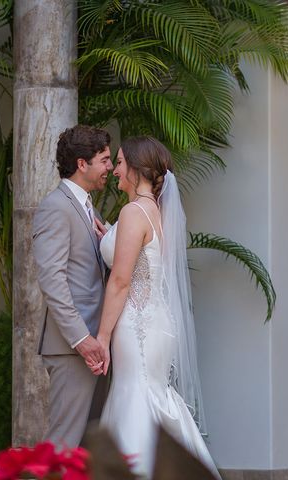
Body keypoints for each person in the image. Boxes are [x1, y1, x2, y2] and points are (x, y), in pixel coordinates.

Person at [91, 136, 220, 478]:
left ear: (135, 168)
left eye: (119, 162)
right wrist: (109, 235)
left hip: (137, 325)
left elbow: (120, 280)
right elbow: (140, 261)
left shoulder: (134, 212)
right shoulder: (155, 211)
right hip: (158, 322)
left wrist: (101, 337)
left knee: (136, 395)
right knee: (153, 395)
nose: (115, 169)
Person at [32, 125, 113, 447]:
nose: (109, 167)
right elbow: (52, 279)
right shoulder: (55, 206)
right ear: (82, 163)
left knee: (87, 448)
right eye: (104, 159)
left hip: (95, 345)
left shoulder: (87, 206)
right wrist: (82, 339)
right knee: (63, 445)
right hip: (73, 347)